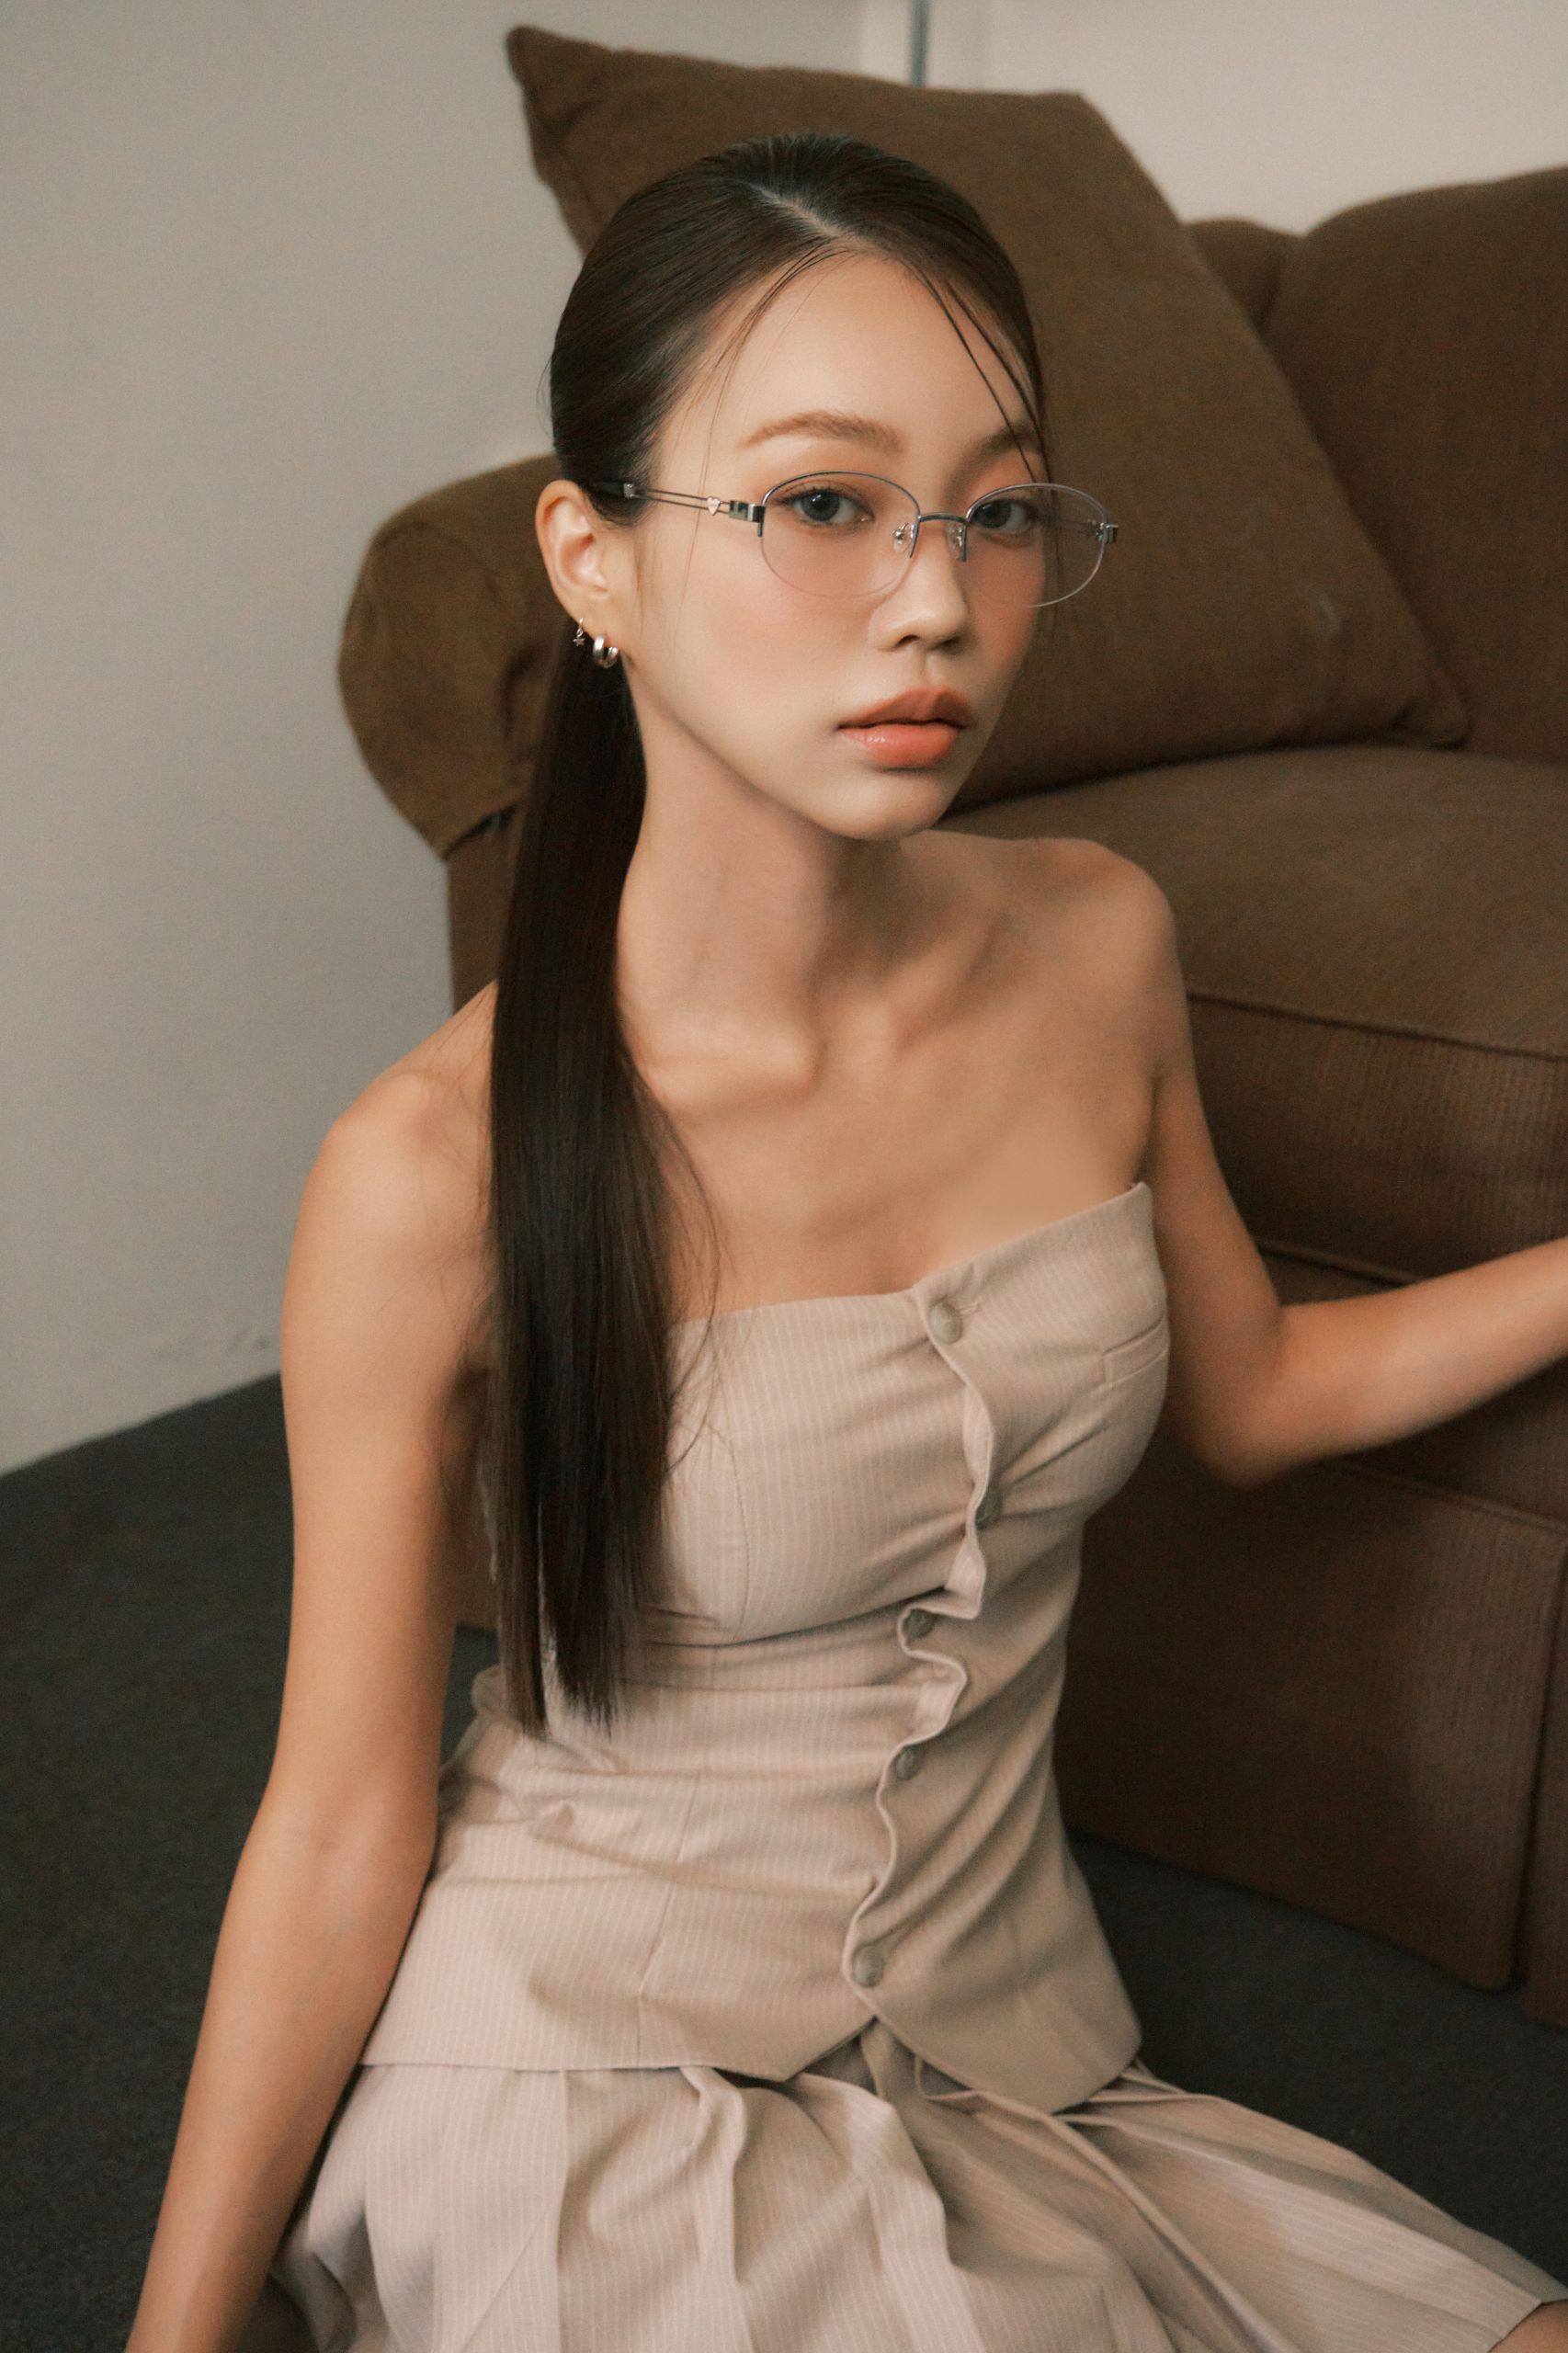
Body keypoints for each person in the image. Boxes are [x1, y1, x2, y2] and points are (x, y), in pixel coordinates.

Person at [128, 131, 1568, 2353]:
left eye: (995, 511)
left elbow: (1260, 1388)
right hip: (590, 2068)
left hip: (1020, 2056)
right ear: (593, 561)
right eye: (820, 502)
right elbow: (335, 1818)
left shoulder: (1095, 945)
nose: (933, 603)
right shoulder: (430, 1173)